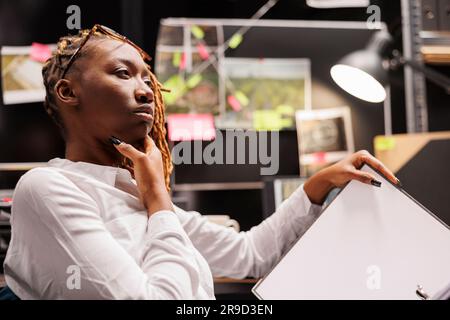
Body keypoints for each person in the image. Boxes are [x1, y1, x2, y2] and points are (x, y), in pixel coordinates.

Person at [2, 25, 400, 300]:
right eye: (123, 74)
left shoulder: (137, 193)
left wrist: (318, 184)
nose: (144, 92)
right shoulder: (48, 188)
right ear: (68, 92)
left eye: (148, 80)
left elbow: (250, 255)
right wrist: (158, 200)